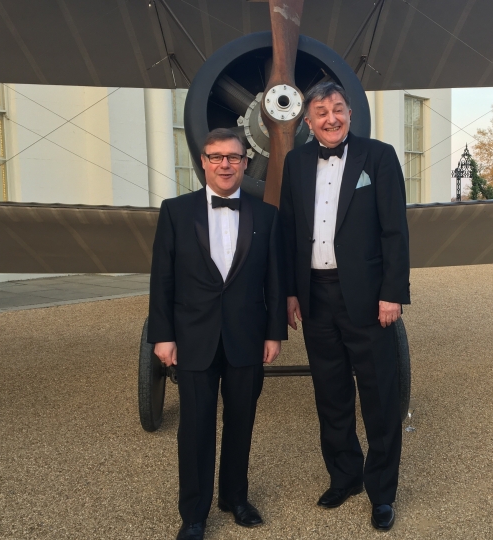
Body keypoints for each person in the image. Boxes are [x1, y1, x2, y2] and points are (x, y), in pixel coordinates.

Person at [279, 82, 410, 531]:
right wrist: (290, 291)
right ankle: (344, 476)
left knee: (379, 395)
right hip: (314, 295)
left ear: (350, 113)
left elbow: (395, 229)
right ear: (308, 121)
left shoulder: (379, 157)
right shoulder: (295, 162)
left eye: (337, 109)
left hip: (369, 298)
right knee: (330, 393)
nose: (330, 118)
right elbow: (290, 230)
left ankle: (382, 492)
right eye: (321, 112)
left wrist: (392, 292)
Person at [147, 128, 286, 540]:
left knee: (241, 423)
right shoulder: (175, 211)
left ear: (246, 163)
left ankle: (235, 498)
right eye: (216, 157)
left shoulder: (266, 215)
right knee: (195, 428)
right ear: (203, 162)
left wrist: (274, 333)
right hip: (193, 338)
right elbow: (163, 280)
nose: (225, 164)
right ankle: (194, 513)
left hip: (247, 336)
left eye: (233, 157)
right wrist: (162, 335)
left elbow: (274, 281)